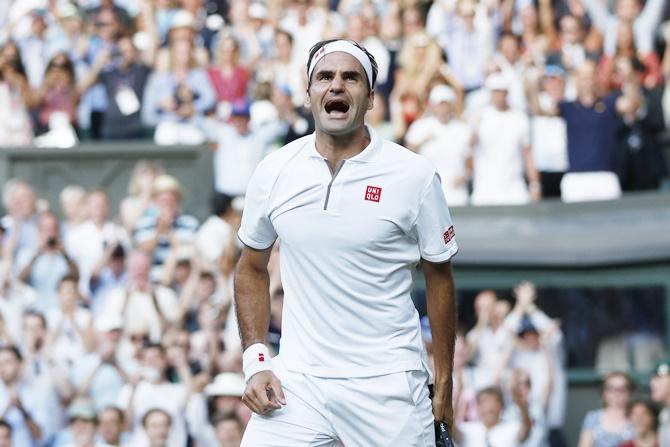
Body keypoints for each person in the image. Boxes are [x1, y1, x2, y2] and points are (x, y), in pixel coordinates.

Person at [235, 39, 458, 445]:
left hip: (388, 383)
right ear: (309, 93)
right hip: (298, 382)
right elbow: (250, 268)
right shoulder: (274, 170)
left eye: (350, 78)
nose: (336, 86)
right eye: (325, 77)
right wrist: (257, 360)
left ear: (370, 97)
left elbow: (440, 277)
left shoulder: (415, 176)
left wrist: (444, 379)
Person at [577, 371, 635, 447]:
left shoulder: (636, 417)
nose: (617, 393)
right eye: (611, 388)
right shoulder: (592, 417)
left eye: (622, 389)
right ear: (604, 392)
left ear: (629, 392)